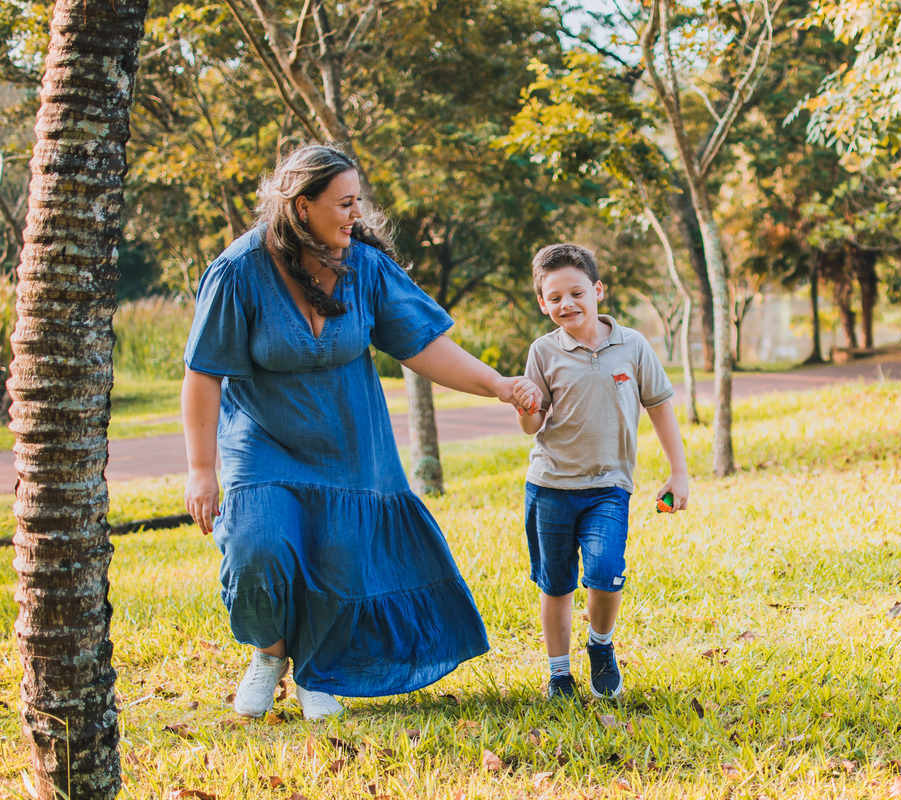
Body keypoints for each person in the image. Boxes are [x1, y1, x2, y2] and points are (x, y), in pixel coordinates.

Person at [182, 144, 540, 721]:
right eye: (344, 203)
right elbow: (202, 374)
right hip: (263, 444)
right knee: (257, 550)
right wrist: (201, 470)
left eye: (357, 201)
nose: (356, 213)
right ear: (302, 207)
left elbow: (423, 345)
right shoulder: (238, 271)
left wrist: (497, 384)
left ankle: (317, 670)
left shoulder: (366, 268)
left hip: (352, 449)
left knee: (341, 564)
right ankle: (269, 654)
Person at [510, 244, 689, 700]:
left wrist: (678, 473)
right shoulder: (543, 351)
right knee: (556, 583)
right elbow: (533, 424)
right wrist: (525, 405)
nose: (566, 304)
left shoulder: (632, 345)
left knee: (607, 572)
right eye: (554, 298)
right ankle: (558, 674)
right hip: (550, 486)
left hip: (609, 486)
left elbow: (661, 408)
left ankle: (601, 646)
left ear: (597, 290)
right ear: (542, 303)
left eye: (576, 292)